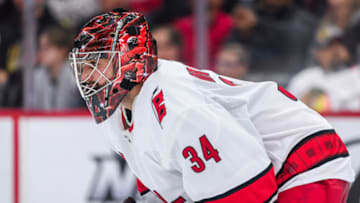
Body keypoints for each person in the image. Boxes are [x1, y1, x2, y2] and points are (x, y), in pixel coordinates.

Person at [70, 9, 354, 202]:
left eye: (97, 64)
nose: (85, 77)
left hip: (301, 162)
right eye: (82, 68)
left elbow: (251, 190)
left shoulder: (180, 110)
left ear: (131, 56)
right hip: (264, 167)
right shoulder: (117, 114)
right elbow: (165, 182)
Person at [288, 25, 360, 113]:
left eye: (339, 45)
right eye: (330, 47)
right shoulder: (303, 78)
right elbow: (287, 110)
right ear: (317, 52)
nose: (336, 51)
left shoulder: (356, 76)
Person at [32, 26, 84, 110]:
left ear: (62, 50)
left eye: (47, 48)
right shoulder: (36, 76)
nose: (41, 53)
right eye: (40, 48)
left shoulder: (76, 77)